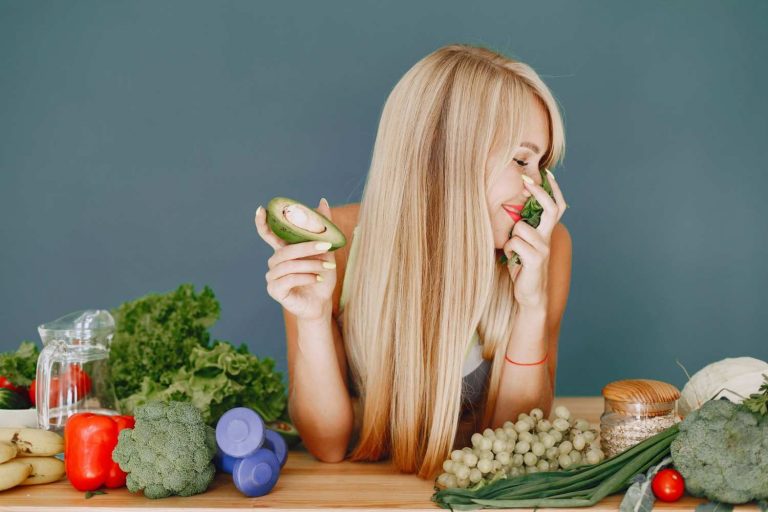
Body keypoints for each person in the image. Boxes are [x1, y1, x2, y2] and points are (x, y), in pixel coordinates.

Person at [254, 43, 571, 480]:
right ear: (446, 153)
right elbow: (328, 446)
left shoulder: (545, 250)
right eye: (520, 159)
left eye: (541, 164)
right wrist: (311, 318)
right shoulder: (339, 246)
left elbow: (515, 446)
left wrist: (530, 307)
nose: (538, 186)